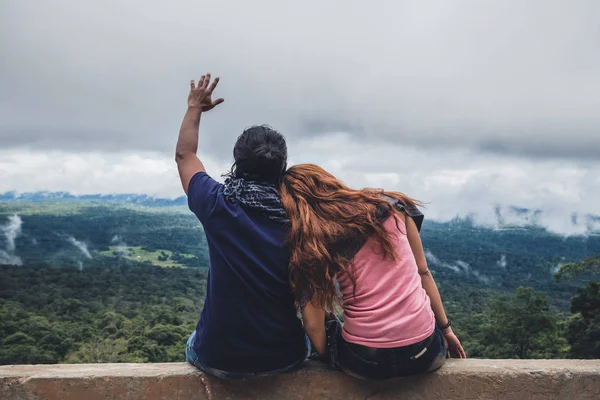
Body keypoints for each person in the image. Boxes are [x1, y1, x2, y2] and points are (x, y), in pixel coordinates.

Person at [279, 164, 466, 380]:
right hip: (424, 353)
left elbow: (313, 326)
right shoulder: (393, 207)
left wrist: (329, 356)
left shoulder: (313, 245)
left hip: (366, 363)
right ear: (330, 183)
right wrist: (447, 330)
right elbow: (423, 272)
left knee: (330, 321)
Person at [175, 74, 308, 379]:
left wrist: (194, 107)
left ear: (236, 164)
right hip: (284, 356)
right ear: (282, 168)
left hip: (218, 358)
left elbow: (185, 156)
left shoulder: (217, 205)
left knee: (191, 342)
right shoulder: (300, 217)